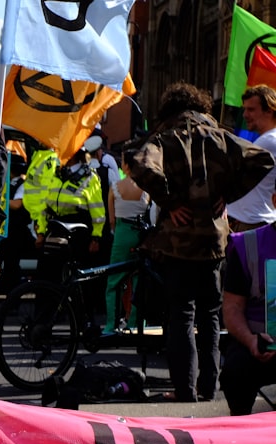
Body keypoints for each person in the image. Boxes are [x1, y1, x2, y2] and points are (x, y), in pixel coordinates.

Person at [132, 82, 274, 402]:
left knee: (181, 313)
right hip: (214, 238)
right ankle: (208, 389)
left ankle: (185, 391)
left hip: (178, 242)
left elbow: (138, 161)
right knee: (210, 314)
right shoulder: (220, 135)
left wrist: (167, 201)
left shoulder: (167, 136)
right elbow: (262, 161)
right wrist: (227, 196)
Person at [220, 212, 276, 415]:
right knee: (235, 372)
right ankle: (241, 434)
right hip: (258, 342)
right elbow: (232, 309)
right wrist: (251, 340)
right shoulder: (248, 245)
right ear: (275, 200)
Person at [103, 147, 150, 334]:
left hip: (122, 233)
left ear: (125, 165)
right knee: (139, 280)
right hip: (141, 235)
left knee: (114, 281)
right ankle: (136, 323)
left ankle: (111, 325)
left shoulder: (115, 187)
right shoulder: (146, 187)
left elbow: (112, 220)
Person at [227, 85, 276, 232]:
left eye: (251, 109)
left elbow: (231, 173)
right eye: (245, 109)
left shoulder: (268, 141)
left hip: (251, 224)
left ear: (270, 110)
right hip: (255, 221)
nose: (244, 115)